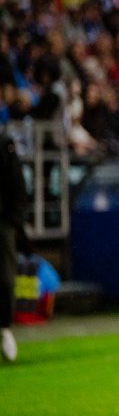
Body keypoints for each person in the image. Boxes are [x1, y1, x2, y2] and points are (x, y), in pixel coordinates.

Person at [0, 134, 26, 362]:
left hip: (3, 222)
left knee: (6, 279)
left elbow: (18, 184)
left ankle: (5, 329)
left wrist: (13, 220)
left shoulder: (4, 143)